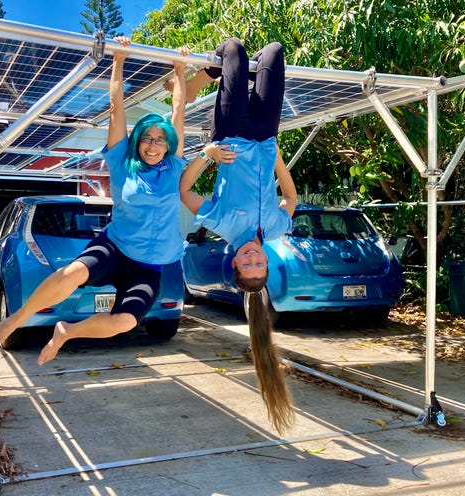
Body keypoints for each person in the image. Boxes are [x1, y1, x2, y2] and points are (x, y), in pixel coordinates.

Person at [0, 36, 189, 365]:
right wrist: (119, 60)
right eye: (147, 139)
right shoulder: (122, 161)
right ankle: (17, 318)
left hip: (150, 265)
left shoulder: (173, 165)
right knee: (74, 274)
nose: (153, 145)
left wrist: (180, 71)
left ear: (167, 145)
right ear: (138, 142)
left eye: (160, 140)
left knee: (125, 322)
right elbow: (116, 108)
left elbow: (178, 111)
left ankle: (67, 331)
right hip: (115, 247)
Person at [177, 38, 298, 434]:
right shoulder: (277, 231)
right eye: (258, 264)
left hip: (229, 132)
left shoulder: (224, 226)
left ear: (234, 263)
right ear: (265, 261)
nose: (252, 258)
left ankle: (204, 77)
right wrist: (278, 159)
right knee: (275, 52)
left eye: (245, 265)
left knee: (233, 49)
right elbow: (292, 197)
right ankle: (225, 72)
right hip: (265, 136)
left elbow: (185, 191)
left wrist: (207, 154)